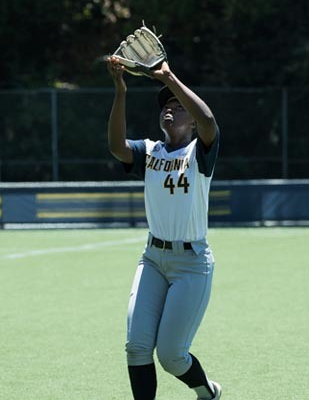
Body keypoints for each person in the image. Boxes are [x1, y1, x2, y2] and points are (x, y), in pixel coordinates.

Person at [106, 55, 222, 400]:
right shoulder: (150, 151)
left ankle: (207, 392)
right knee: (137, 347)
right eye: (165, 107)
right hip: (153, 259)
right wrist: (120, 90)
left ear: (191, 121)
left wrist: (169, 78)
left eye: (178, 107)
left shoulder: (199, 153)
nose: (169, 110)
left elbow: (209, 120)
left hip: (192, 264)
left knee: (171, 356)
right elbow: (116, 147)